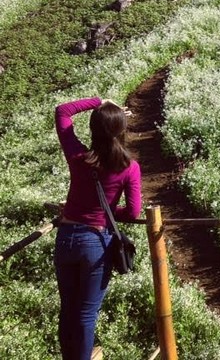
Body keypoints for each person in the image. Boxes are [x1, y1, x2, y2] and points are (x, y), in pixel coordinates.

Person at [54, 98, 142, 360]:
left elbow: (63, 111)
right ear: (123, 130)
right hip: (95, 242)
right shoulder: (129, 168)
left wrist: (98, 100)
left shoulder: (78, 157)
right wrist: (106, 213)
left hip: (66, 237)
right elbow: (134, 211)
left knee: (68, 310)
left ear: (92, 129)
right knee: (86, 314)